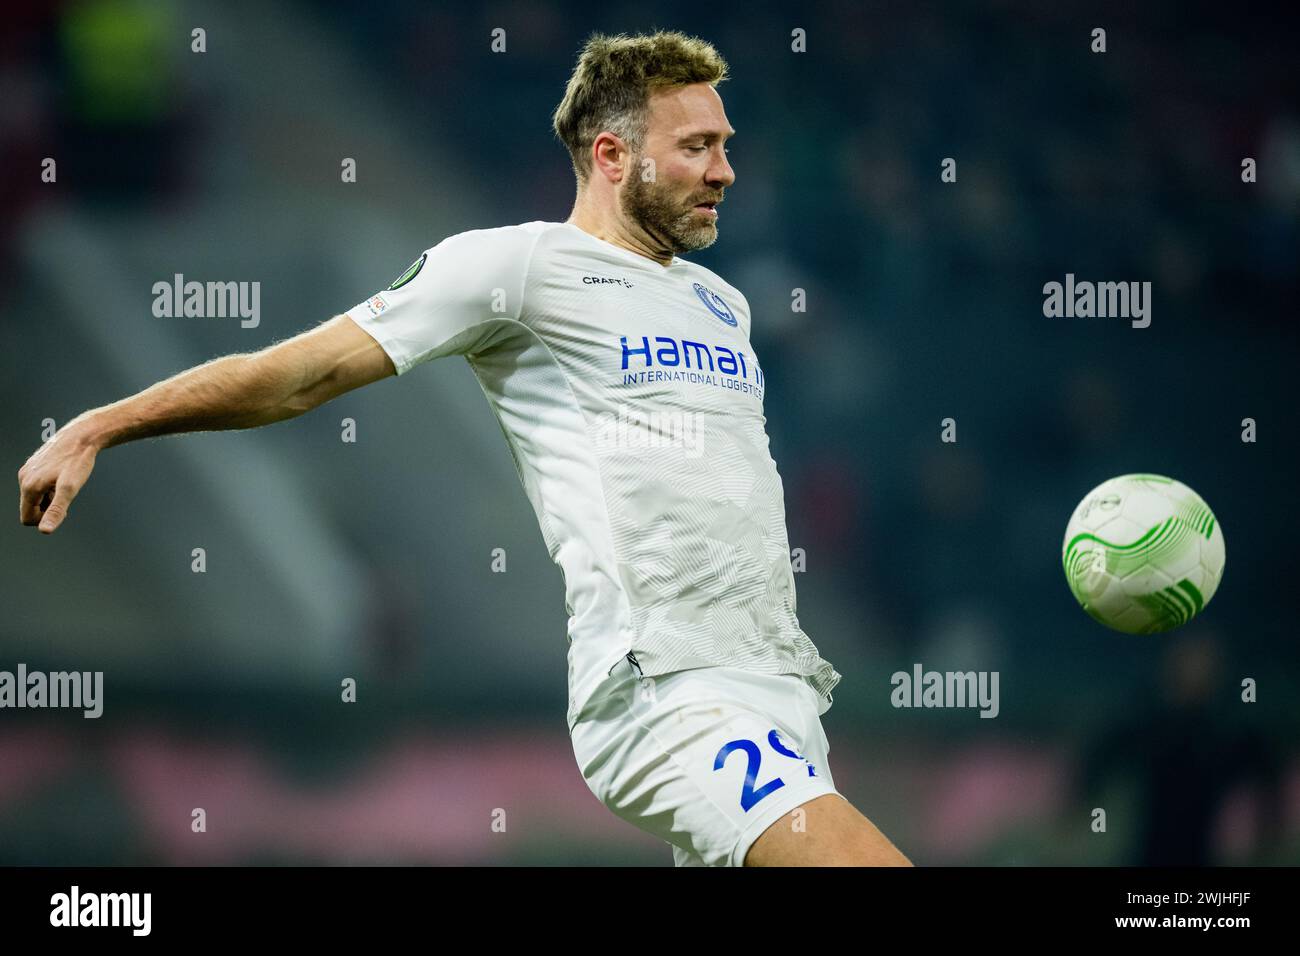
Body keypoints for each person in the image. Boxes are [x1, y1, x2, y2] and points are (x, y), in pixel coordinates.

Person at [18, 30, 911, 867]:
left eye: (725, 144)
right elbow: (298, 372)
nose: (723, 171)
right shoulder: (515, 268)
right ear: (610, 155)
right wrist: (102, 424)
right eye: (695, 147)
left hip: (780, 691)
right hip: (666, 690)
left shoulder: (723, 304)